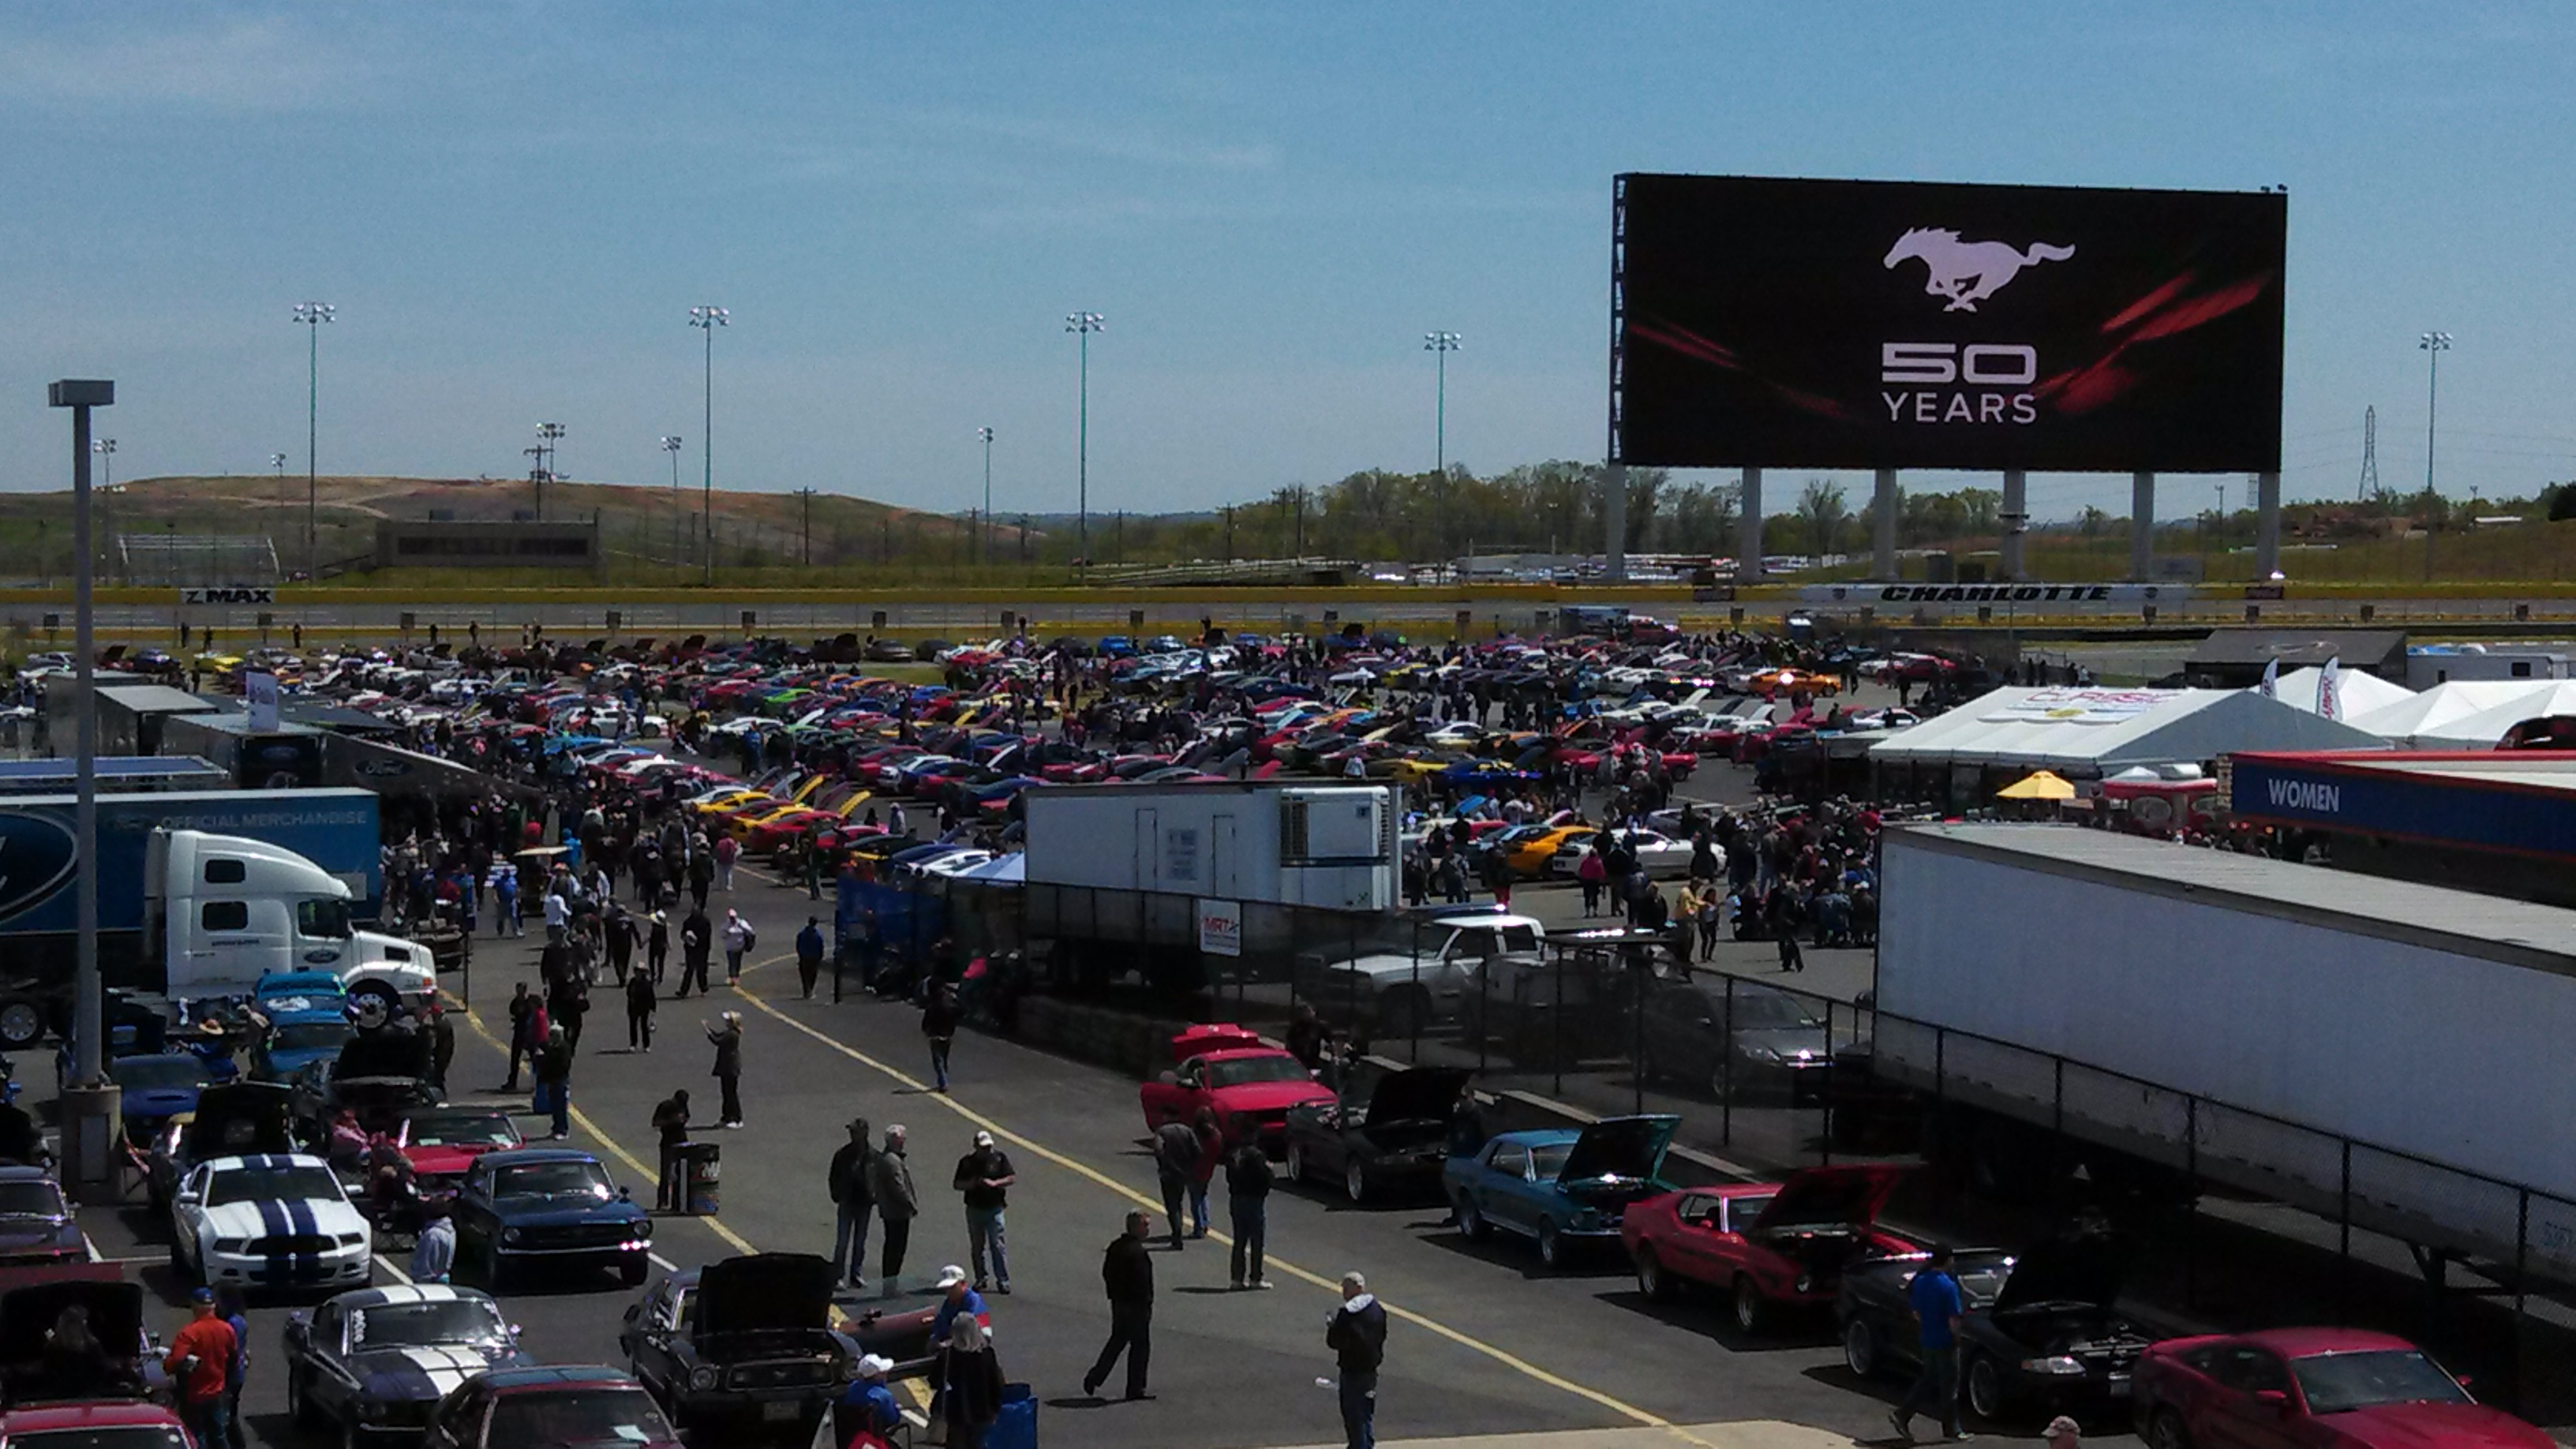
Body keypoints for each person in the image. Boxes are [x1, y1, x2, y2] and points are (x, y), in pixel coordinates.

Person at [1891, 1245, 1968, 1443]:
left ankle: (1903, 1414)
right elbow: (1954, 1318)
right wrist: (1957, 1338)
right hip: (1945, 1341)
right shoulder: (1948, 1286)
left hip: (1927, 1338)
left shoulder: (1921, 1281)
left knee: (1928, 1379)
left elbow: (1916, 1312)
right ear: (1948, 1260)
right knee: (1949, 1386)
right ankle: (1952, 1429)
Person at [1081, 1211, 1155, 1402]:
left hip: (1119, 1303)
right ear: (1136, 1227)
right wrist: (1147, 1303)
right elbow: (1143, 1282)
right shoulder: (1137, 1253)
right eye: (1145, 1225)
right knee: (1140, 1346)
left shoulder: (1116, 1247)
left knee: (1118, 1340)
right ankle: (1135, 1387)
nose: (1148, 1229)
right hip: (1136, 1306)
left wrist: (1114, 1294)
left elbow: (1107, 1273)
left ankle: (1096, 1376)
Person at [164, 1289, 238, 1449]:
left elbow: (175, 1361)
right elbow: (234, 1358)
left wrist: (168, 1365)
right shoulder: (227, 1329)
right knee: (219, 1434)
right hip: (217, 1390)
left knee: (197, 1435)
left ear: (194, 1306)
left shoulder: (189, 1333)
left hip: (194, 1394)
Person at [1327, 1271, 1388, 1449]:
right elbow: (1382, 1335)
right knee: (1366, 1413)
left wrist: (1332, 1326)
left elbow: (1335, 1342)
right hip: (1370, 1369)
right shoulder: (1377, 1309)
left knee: (1354, 1416)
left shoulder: (1347, 1313)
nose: (1343, 1292)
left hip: (1352, 1371)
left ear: (1357, 1289)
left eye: (1346, 1288)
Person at [952, 1128, 1014, 1294]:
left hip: (995, 1209)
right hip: (975, 1209)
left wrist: (994, 1184)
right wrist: (973, 1184)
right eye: (984, 1147)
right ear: (976, 1146)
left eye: (989, 1147)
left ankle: (1003, 1280)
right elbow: (957, 1184)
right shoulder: (967, 1163)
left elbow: (1010, 1178)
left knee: (998, 1245)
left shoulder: (999, 1158)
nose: (987, 1150)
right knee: (977, 1246)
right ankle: (981, 1278)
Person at [938, 1314, 1005, 1448]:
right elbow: (996, 1384)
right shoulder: (987, 1354)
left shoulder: (948, 1355)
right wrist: (995, 1409)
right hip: (983, 1413)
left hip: (956, 1414)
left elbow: (935, 1380)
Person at [868, 1124, 917, 1290]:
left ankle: (890, 1283)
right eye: (901, 1138)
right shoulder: (892, 1161)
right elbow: (898, 1187)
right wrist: (910, 1205)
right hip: (896, 1212)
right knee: (896, 1248)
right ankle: (890, 1285)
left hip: (892, 1211)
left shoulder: (889, 1158)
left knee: (893, 1247)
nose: (904, 1141)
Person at [830, 1117, 876, 1289]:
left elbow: (879, 1177)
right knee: (842, 1241)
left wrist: (875, 1196)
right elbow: (833, 1175)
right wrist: (836, 1194)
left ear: (864, 1133)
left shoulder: (872, 1156)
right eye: (851, 1132)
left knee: (860, 1241)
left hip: (864, 1203)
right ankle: (838, 1275)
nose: (852, 1135)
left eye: (855, 1132)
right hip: (847, 1201)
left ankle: (856, 1274)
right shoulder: (843, 1154)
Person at [1226, 1136, 1273, 1290]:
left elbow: (1229, 1177)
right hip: (1254, 1199)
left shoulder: (1234, 1154)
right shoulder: (1257, 1155)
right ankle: (1255, 1278)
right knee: (1257, 1241)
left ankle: (1236, 1279)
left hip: (1236, 1198)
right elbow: (1265, 1177)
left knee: (1239, 1241)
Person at [1151, 1115, 1201, 1249]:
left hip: (1168, 1175)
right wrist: (1190, 1166)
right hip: (1184, 1173)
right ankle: (1178, 1230)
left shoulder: (1162, 1131)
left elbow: (1158, 1150)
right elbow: (1198, 1151)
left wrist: (1164, 1164)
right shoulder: (1187, 1131)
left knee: (1172, 1206)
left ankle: (1177, 1234)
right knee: (1178, 1203)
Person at [834, 1354, 903, 1449]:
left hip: (851, 1438)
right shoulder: (883, 1397)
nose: (886, 1374)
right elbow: (892, 1420)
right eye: (882, 1372)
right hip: (873, 1438)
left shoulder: (852, 1388)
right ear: (876, 1376)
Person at [217, 1283, 250, 1446]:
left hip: (232, 1374)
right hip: (237, 1372)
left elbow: (231, 1350)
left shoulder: (233, 1323)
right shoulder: (237, 1320)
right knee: (230, 1412)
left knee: (228, 1414)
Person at [652, 1088, 691, 1211]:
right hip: (668, 1143)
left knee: (681, 1173)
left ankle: (679, 1202)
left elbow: (687, 1117)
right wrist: (671, 1121)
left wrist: (683, 1121)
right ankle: (662, 1201)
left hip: (682, 1142)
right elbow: (656, 1123)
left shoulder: (682, 1106)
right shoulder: (666, 1106)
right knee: (666, 1174)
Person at [1187, 1107, 1222, 1239]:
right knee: (1203, 1195)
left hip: (1194, 1169)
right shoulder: (1216, 1135)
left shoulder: (1195, 1134)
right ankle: (1205, 1221)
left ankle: (1199, 1227)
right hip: (1208, 1169)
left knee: (1195, 1199)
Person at [704, 1012, 743, 1128]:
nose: (725, 1022)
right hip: (727, 1066)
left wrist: (708, 1032)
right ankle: (727, 1117)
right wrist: (709, 1029)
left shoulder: (732, 1034)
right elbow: (718, 1035)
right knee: (726, 1093)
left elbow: (718, 1041)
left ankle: (736, 1118)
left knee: (731, 1094)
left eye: (728, 1020)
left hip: (730, 1067)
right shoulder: (729, 1032)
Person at [534, 1025, 571, 1140]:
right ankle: (556, 1128)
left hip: (560, 1080)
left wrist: (544, 1058)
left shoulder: (564, 1048)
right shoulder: (551, 1047)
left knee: (560, 1106)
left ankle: (562, 1130)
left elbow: (561, 1065)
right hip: (552, 1080)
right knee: (554, 1106)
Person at [922, 985, 959, 1092]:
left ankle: (943, 1082)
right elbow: (960, 1015)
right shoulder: (950, 1007)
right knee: (944, 1058)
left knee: (938, 1061)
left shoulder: (932, 1007)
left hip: (935, 1036)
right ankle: (944, 1077)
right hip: (947, 1035)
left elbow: (925, 1023)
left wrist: (926, 1031)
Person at [502, 983, 536, 1091]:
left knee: (535, 1058)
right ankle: (512, 1081)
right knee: (515, 1057)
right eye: (517, 991)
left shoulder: (531, 1002)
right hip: (519, 1032)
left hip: (530, 1033)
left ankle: (538, 1081)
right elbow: (513, 1013)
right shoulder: (515, 1002)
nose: (519, 993)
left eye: (520, 991)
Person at [412, 1201, 455, 1283]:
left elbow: (427, 1261)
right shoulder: (450, 1230)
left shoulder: (432, 1235)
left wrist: (420, 1278)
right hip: (443, 1276)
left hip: (429, 1281)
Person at [676, 904, 713, 998]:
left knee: (701, 970)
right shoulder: (688, 921)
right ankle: (684, 991)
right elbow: (683, 933)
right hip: (690, 949)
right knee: (689, 970)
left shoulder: (705, 922)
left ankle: (703, 987)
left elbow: (707, 937)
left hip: (702, 949)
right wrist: (686, 938)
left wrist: (700, 942)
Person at [625, 964, 656, 1052]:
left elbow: (651, 996)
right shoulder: (632, 982)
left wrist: (653, 1008)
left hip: (644, 1007)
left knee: (644, 1026)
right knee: (633, 1026)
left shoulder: (647, 984)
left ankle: (646, 1045)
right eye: (636, 971)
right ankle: (633, 1044)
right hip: (633, 1007)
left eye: (640, 971)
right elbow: (628, 993)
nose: (637, 973)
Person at [426, 1002, 455, 1092]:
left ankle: (440, 1093)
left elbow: (434, 1035)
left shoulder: (441, 1025)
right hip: (444, 1052)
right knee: (438, 1075)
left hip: (442, 1054)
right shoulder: (444, 1022)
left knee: (437, 1076)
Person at [796, 916, 826, 998]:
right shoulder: (818, 935)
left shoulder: (802, 933)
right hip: (814, 957)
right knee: (813, 975)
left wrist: (800, 954)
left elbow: (798, 945)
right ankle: (810, 990)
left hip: (804, 956)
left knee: (804, 975)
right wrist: (820, 957)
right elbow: (821, 947)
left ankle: (806, 990)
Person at [721, 908, 753, 984]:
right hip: (730, 948)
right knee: (732, 962)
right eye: (731, 918)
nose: (732, 920)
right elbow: (722, 935)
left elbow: (750, 931)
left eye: (733, 918)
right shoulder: (726, 925)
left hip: (739, 947)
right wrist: (727, 933)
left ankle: (736, 976)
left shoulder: (741, 923)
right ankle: (732, 976)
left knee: (738, 962)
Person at [646, 909, 670, 983]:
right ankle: (660, 977)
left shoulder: (654, 926)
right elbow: (666, 936)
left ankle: (653, 975)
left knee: (652, 961)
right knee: (661, 962)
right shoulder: (664, 926)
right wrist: (668, 945)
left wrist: (643, 943)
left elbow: (649, 936)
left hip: (654, 945)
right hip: (662, 946)